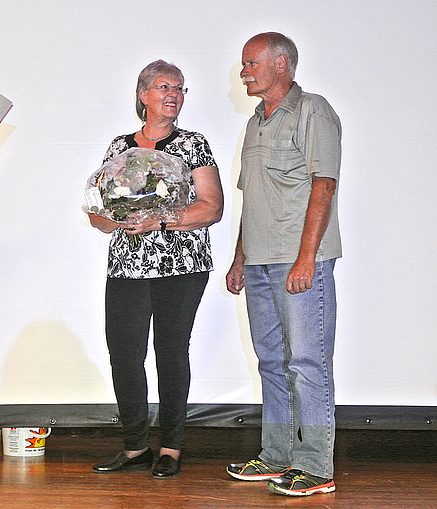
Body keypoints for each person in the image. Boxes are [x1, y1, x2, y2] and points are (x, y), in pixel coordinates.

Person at [88, 60, 223, 479]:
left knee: (170, 353)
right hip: (127, 265)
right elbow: (98, 211)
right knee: (125, 355)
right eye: (165, 86)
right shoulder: (119, 147)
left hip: (179, 265)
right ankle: (133, 447)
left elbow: (211, 207)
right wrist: (114, 219)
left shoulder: (193, 144)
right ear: (143, 93)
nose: (174, 95)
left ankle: (171, 447)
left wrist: (161, 220)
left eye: (181, 88)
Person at [225, 32, 342, 497]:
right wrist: (239, 257)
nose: (244, 70)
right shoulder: (255, 122)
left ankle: (315, 467)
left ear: (281, 64)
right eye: (243, 63)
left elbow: (324, 185)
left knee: (307, 364)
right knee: (271, 362)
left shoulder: (313, 110)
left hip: (298, 263)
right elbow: (252, 196)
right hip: (258, 263)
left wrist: (307, 258)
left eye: (251, 62)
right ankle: (276, 458)